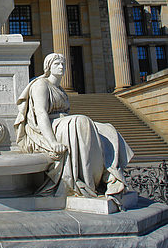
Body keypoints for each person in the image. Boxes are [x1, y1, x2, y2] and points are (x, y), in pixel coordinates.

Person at [14, 53, 133, 200]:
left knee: (106, 129)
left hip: (64, 124)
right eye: (57, 64)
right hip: (47, 128)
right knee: (81, 122)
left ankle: (110, 175)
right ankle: (87, 181)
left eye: (63, 64)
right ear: (48, 67)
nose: (62, 67)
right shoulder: (41, 85)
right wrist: (52, 142)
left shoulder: (61, 90)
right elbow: (41, 113)